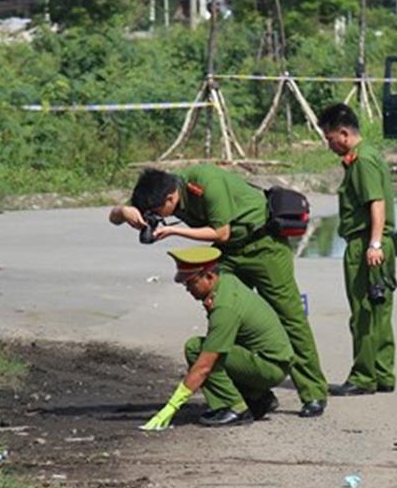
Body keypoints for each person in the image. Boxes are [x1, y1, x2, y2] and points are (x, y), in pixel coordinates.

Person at [109, 166, 328, 418]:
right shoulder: (154, 193)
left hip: (264, 245)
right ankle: (255, 395)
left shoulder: (205, 182)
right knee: (224, 313)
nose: (154, 217)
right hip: (231, 252)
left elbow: (221, 232)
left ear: (170, 198)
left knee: (290, 317)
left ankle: (313, 392)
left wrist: (172, 230)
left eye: (157, 213)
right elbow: (114, 217)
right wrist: (123, 211)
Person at [140, 247, 294, 429]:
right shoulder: (226, 281)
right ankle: (257, 397)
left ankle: (234, 407)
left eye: (191, 282)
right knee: (218, 346)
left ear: (209, 276)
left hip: (269, 366)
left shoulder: (224, 308)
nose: (188, 289)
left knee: (196, 349)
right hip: (272, 360)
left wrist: (171, 407)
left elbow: (204, 366)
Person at [318, 103, 397, 396]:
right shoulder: (368, 156)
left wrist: (373, 244)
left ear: (343, 133)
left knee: (364, 312)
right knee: (379, 310)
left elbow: (376, 202)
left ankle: (364, 376)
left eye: (329, 139)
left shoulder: (362, 161)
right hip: (376, 243)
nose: (329, 145)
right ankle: (383, 373)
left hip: (366, 243)